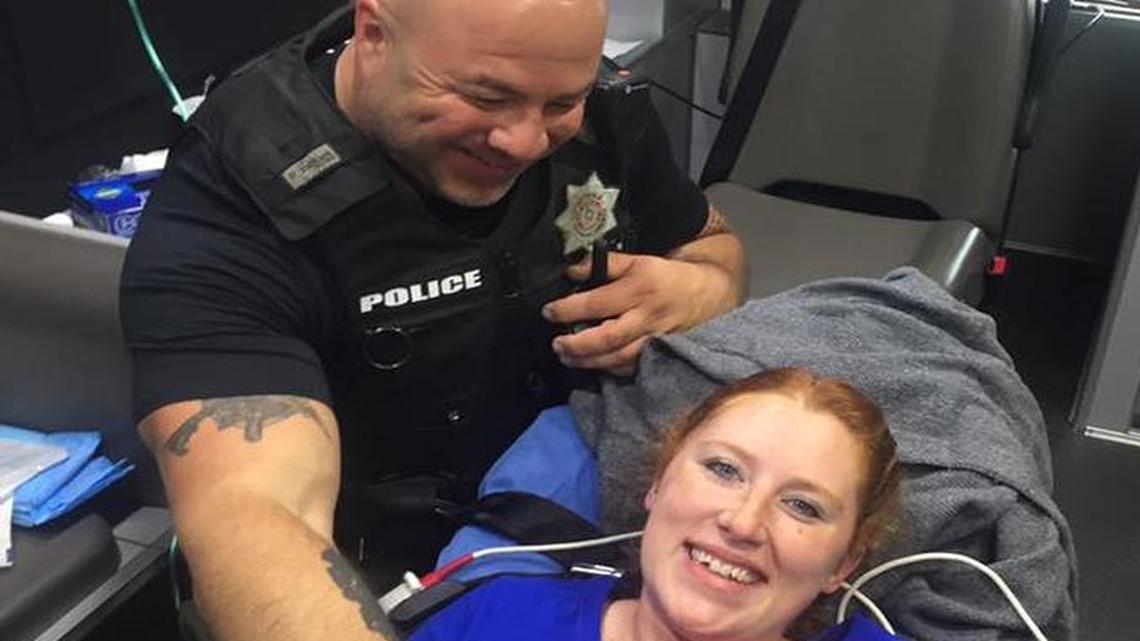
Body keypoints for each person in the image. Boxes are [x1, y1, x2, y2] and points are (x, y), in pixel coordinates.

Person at [120, 0, 746, 640]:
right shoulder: (236, 210)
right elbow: (254, 511)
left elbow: (711, 245)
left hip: (601, 522)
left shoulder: (596, 110)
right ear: (373, 34)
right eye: (486, 97)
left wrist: (704, 286)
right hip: (383, 580)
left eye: (560, 104)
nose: (527, 141)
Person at [408, 366, 904, 641]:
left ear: (844, 563)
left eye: (802, 505)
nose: (743, 522)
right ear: (658, 484)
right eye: (724, 470)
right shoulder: (501, 618)